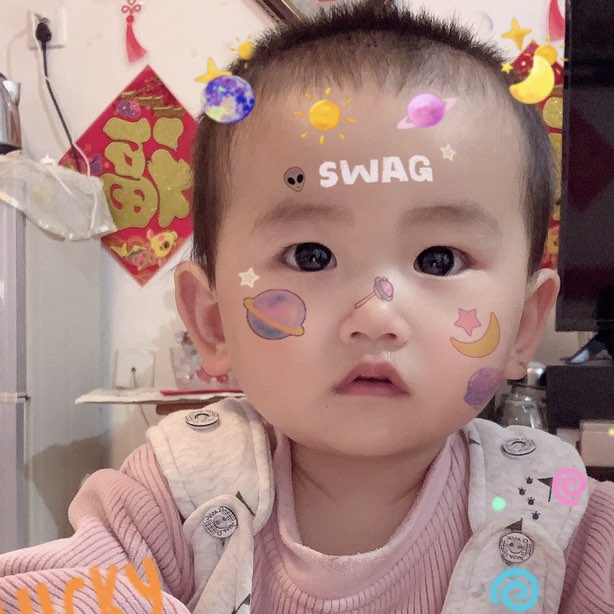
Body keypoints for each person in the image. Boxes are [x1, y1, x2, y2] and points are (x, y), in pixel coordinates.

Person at [1, 2, 613, 612]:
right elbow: (43, 594)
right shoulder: (177, 492)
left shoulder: (555, 512)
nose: (375, 317)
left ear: (524, 323)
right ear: (213, 321)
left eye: (439, 261)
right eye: (311, 256)